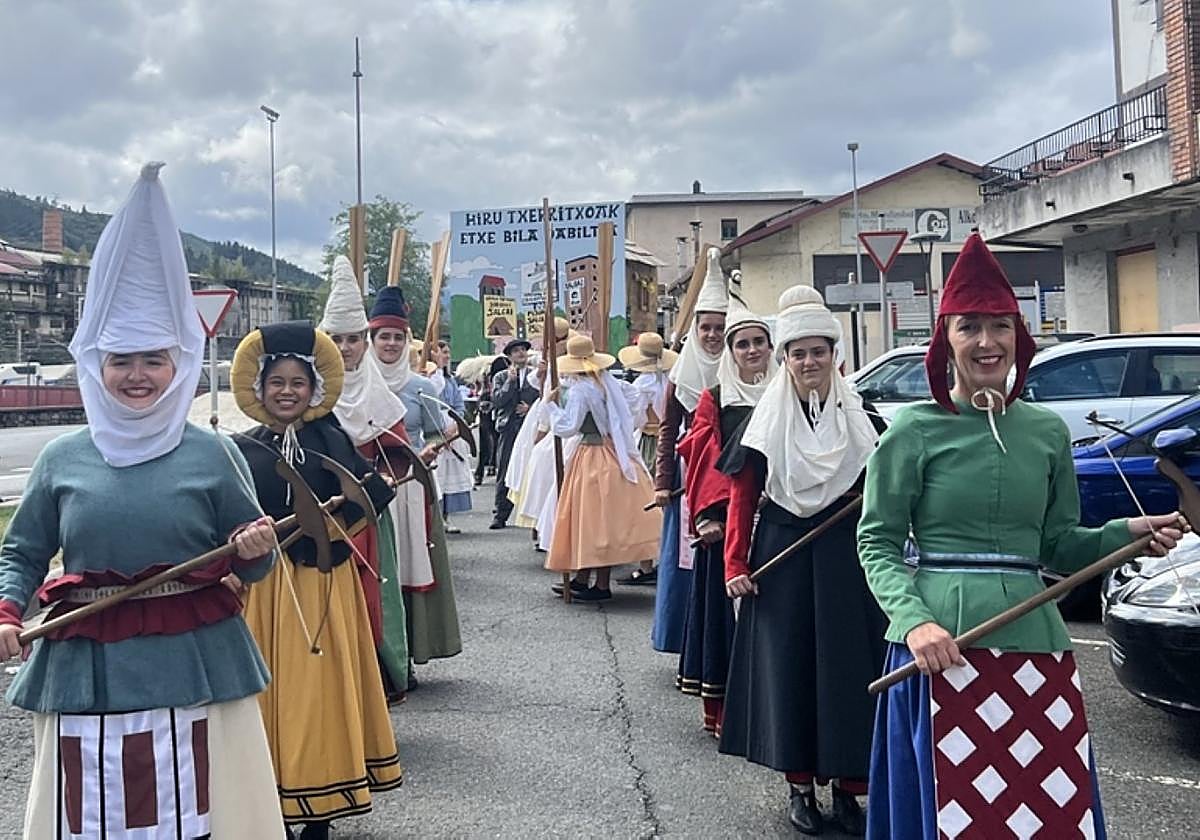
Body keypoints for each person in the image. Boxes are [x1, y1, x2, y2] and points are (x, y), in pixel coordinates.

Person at [857, 234, 1181, 840]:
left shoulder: (1047, 432)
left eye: (1000, 326)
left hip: (1037, 644)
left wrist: (1127, 534)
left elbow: (1057, 546)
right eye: (970, 327)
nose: (987, 342)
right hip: (940, 648)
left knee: (1042, 816)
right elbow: (876, 541)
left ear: (1019, 336)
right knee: (952, 817)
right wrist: (915, 622)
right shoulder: (912, 430)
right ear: (946, 340)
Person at [0, 163, 285, 839]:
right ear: (96, 365)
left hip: (196, 663)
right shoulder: (62, 457)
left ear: (177, 364)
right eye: (121, 360)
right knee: (90, 816)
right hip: (86, 668)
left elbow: (254, 561)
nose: (137, 375)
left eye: (153, 359)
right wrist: (7, 610)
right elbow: (24, 551)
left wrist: (254, 551)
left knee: (205, 812)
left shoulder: (211, 454)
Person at [718, 286, 886, 836]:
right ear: (785, 359)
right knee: (791, 671)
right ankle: (800, 789)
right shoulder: (762, 424)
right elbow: (742, 497)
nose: (809, 362)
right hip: (783, 558)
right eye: (798, 353)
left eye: (818, 352)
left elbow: (886, 494)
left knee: (848, 671)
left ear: (834, 356)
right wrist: (735, 564)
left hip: (847, 558)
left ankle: (848, 790)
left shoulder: (864, 421)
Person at [231, 320, 402, 839]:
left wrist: (336, 518)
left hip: (321, 587)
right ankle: (271, 801)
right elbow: (224, 514)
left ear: (314, 389)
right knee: (266, 692)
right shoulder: (242, 448)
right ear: (259, 388)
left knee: (316, 694)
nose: (287, 392)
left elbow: (368, 499)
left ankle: (319, 808)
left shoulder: (331, 438)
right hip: (263, 589)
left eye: (297, 383)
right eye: (276, 382)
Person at [675, 296, 775, 737]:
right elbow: (704, 459)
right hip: (729, 522)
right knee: (726, 620)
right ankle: (725, 711)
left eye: (759, 342)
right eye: (743, 344)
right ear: (731, 352)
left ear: (771, 347)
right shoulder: (715, 399)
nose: (752, 351)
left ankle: (769, 708)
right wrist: (709, 516)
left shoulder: (785, 391)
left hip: (778, 519)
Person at [320, 257, 412, 701]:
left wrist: (386, 478)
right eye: (336, 339)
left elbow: (399, 454)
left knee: (372, 594)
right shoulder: (309, 392)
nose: (345, 348)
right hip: (317, 515)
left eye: (353, 339)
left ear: (364, 342)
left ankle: (379, 676)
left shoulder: (379, 394)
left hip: (368, 513)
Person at [369, 288, 463, 670]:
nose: (391, 344)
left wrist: (430, 451)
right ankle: (372, 659)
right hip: (366, 490)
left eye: (397, 336)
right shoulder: (354, 384)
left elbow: (438, 433)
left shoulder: (421, 387)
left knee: (407, 568)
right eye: (384, 336)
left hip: (409, 486)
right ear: (371, 339)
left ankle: (406, 654)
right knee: (374, 571)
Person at [544, 335, 661, 600]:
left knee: (592, 520)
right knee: (600, 520)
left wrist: (550, 405)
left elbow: (568, 426)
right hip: (612, 452)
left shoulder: (581, 390)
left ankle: (600, 584)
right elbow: (632, 400)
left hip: (592, 456)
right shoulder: (609, 383)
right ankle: (584, 578)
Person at [652, 247, 728, 651]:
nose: (713, 335)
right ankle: (684, 638)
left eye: (720, 328)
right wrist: (663, 482)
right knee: (685, 559)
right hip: (690, 478)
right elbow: (668, 430)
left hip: (734, 476)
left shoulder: (742, 368)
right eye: (706, 328)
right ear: (695, 330)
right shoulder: (681, 377)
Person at [615, 331, 679, 586]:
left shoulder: (643, 384)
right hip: (672, 441)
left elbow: (636, 416)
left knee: (646, 500)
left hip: (651, 442)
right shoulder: (672, 379)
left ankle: (647, 564)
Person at [491, 338, 541, 529]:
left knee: (532, 468)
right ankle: (500, 514)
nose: (521, 353)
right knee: (505, 469)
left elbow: (543, 397)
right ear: (510, 356)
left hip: (529, 426)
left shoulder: (535, 374)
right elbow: (497, 400)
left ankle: (532, 514)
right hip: (509, 427)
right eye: (516, 351)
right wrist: (509, 382)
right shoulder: (501, 376)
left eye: (523, 350)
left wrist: (531, 409)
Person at [429, 339, 474, 533]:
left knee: (449, 476)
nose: (447, 356)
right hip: (433, 427)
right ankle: (435, 519)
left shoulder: (450, 381)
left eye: (448, 352)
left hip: (451, 426)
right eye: (443, 352)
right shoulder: (428, 379)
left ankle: (446, 517)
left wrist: (455, 426)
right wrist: (438, 431)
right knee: (436, 475)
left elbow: (459, 405)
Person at [475, 355, 508, 484]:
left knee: (485, 441)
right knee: (497, 440)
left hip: (487, 412)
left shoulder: (488, 379)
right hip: (497, 412)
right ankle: (492, 466)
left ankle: (481, 471)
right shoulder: (503, 378)